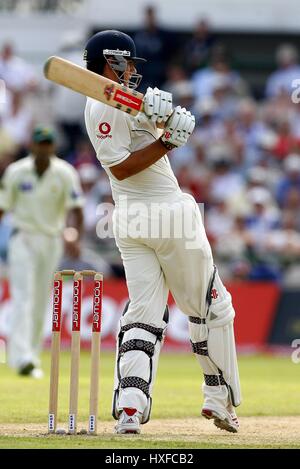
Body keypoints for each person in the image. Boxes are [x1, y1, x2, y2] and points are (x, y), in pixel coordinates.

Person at [83, 30, 241, 434]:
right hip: (168, 214)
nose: (134, 70)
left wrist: (164, 116)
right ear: (113, 62)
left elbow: (143, 126)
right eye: (130, 63)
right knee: (211, 306)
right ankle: (218, 398)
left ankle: (131, 410)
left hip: (129, 221)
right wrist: (169, 141)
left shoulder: (112, 101)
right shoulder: (102, 104)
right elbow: (119, 166)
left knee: (144, 313)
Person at [0, 126, 84, 377]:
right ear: (32, 146)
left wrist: (74, 234)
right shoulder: (16, 172)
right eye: (40, 143)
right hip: (23, 238)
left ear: (53, 147)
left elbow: (77, 209)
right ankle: (20, 356)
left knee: (40, 299)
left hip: (51, 239)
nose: (44, 148)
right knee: (23, 295)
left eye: (48, 143)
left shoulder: (65, 173)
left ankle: (31, 356)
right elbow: (2, 207)